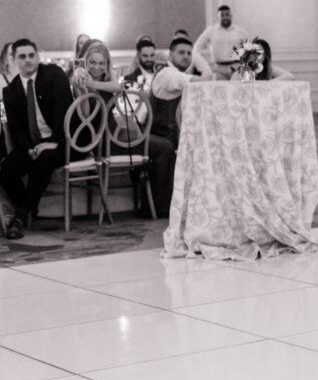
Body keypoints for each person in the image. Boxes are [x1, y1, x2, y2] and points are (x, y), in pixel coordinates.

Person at [71, 42, 177, 218]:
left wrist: (93, 84)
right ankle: (157, 207)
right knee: (164, 147)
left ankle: (155, 204)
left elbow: (119, 87)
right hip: (106, 143)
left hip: (116, 137)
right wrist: (83, 89)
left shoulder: (102, 82)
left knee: (161, 143)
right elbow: (86, 116)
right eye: (92, 62)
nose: (96, 67)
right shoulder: (81, 82)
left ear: (106, 64)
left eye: (101, 63)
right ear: (86, 62)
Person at [0, 38, 75, 236]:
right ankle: (29, 211)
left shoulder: (54, 75)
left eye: (31, 55)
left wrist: (53, 143)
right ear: (14, 59)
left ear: (37, 56)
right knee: (6, 169)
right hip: (34, 144)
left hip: (64, 140)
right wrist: (28, 149)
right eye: (22, 57)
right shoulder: (10, 91)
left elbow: (64, 112)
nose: (28, 60)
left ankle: (22, 216)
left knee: (45, 159)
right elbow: (16, 130)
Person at [150, 37, 212, 149]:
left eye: (189, 53)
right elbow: (200, 82)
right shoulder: (167, 73)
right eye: (181, 52)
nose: (186, 56)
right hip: (167, 138)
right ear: (170, 55)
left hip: (177, 135)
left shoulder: (172, 71)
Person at [194, 5, 248, 80]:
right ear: (218, 17)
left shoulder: (240, 31)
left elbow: (248, 49)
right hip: (218, 69)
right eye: (222, 15)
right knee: (217, 89)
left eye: (227, 15)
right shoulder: (211, 30)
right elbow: (197, 47)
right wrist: (206, 62)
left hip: (236, 67)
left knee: (236, 88)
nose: (225, 17)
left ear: (231, 15)